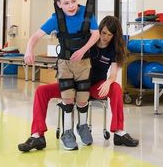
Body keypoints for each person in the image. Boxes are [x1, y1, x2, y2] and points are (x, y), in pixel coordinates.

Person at [18, 15, 139, 152]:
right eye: (103, 33)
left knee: (116, 87)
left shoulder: (113, 50)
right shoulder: (88, 42)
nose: (105, 37)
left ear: (114, 36)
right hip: (71, 84)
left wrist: (109, 81)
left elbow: (113, 74)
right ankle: (37, 135)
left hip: (92, 87)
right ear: (99, 30)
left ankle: (119, 132)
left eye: (109, 35)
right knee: (41, 91)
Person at [24, 0, 99, 150]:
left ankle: (83, 126)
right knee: (67, 97)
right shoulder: (55, 19)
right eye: (66, 3)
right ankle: (67, 132)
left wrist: (83, 50)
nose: (71, 6)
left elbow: (96, 34)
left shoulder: (87, 13)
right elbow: (35, 36)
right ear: (59, 4)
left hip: (83, 61)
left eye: (73, 1)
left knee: (83, 97)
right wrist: (29, 50)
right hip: (65, 63)